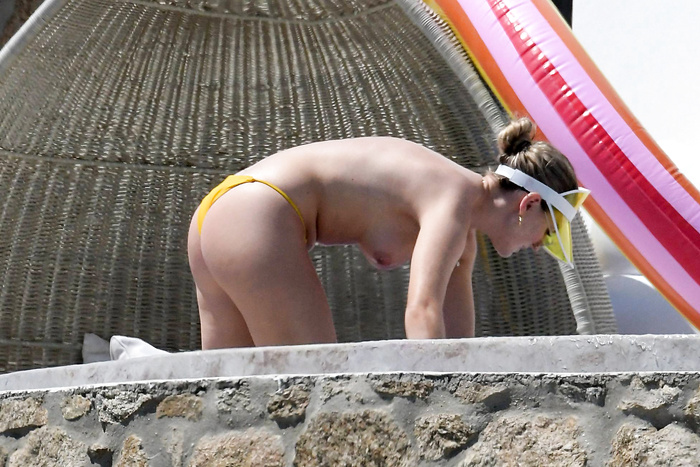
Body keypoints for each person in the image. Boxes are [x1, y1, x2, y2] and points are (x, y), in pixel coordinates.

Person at [188, 117, 589, 349]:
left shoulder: (461, 233)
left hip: (222, 213)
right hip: (259, 214)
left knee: (227, 412)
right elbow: (422, 313)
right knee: (313, 391)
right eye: (549, 232)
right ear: (529, 204)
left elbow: (456, 347)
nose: (539, 247)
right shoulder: (455, 198)